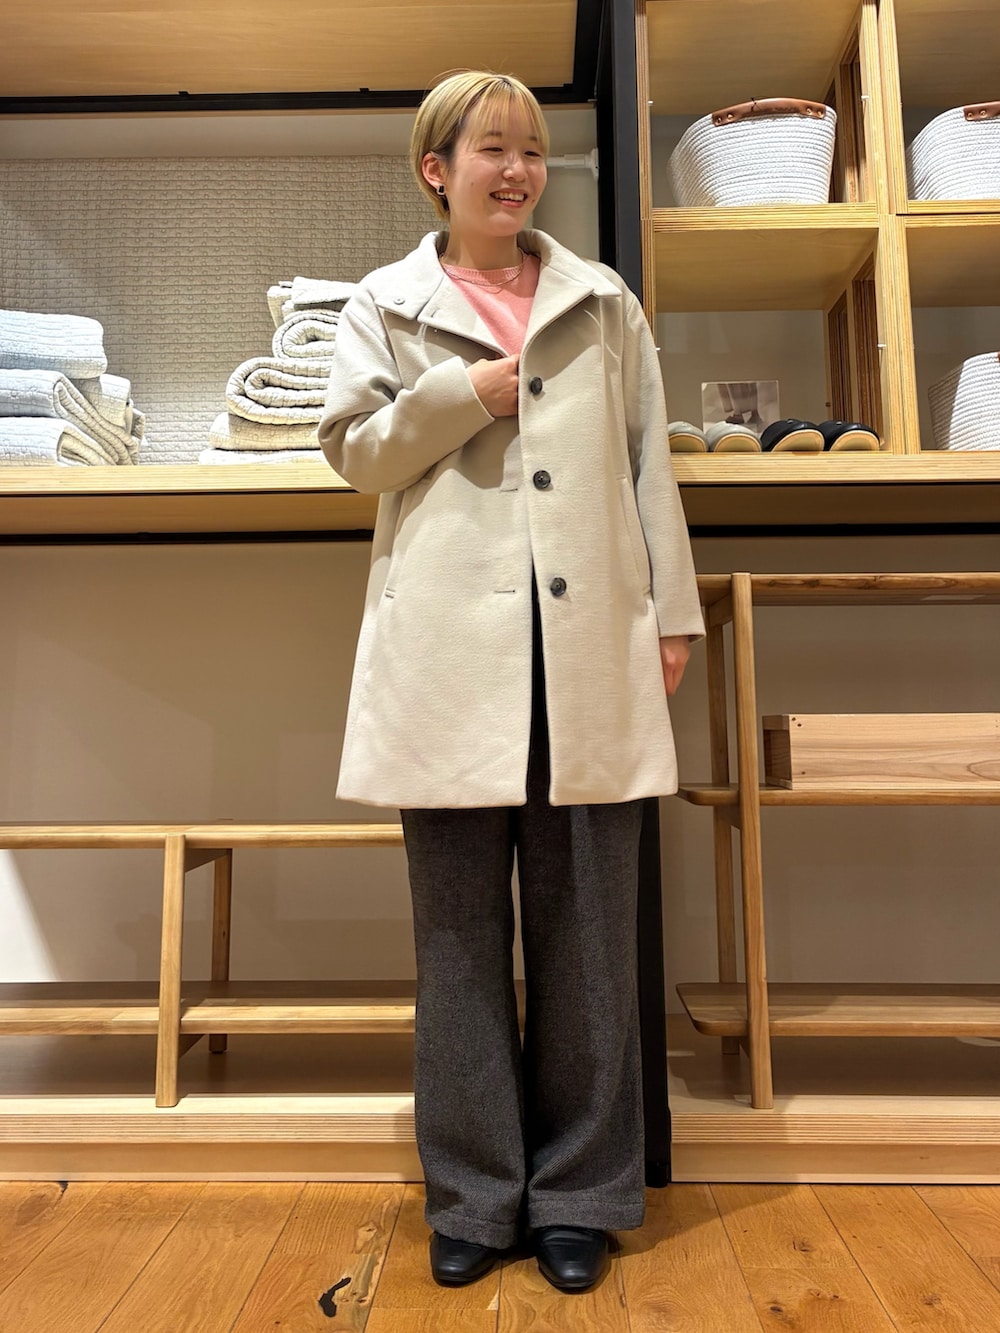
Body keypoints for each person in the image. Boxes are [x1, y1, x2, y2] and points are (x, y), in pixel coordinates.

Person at [318, 69, 705, 1294]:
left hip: (587, 648)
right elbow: (354, 452)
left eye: (531, 150)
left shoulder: (602, 300)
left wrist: (672, 612)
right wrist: (466, 393)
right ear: (436, 170)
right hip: (447, 654)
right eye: (492, 149)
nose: (518, 170)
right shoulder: (385, 303)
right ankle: (475, 1195)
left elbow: (647, 463)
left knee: (590, 931)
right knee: (458, 937)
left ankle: (582, 1194)